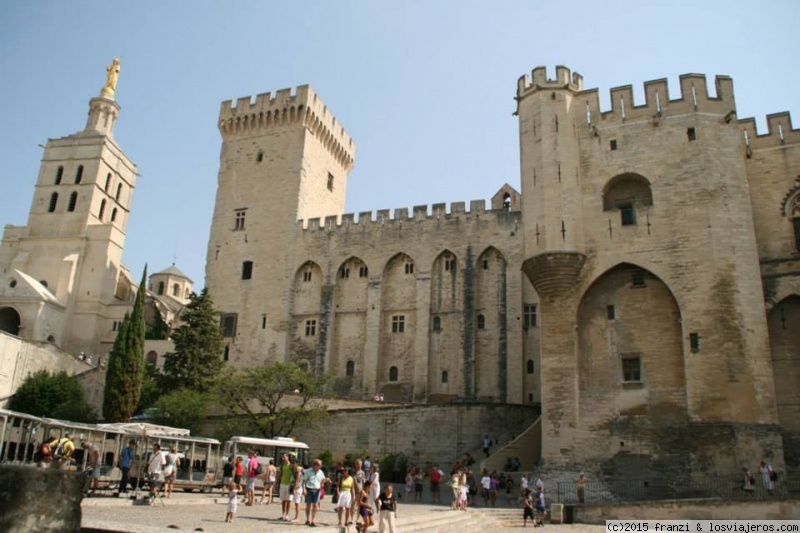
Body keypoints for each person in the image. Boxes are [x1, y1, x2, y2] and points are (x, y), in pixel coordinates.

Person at [303, 458, 328, 526]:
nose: (320, 467)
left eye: (320, 465)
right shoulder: (308, 471)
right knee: (308, 505)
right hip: (309, 489)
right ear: (315, 465)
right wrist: (304, 489)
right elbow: (304, 481)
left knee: (315, 505)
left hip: (317, 490)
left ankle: (313, 520)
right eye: (319, 465)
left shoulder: (321, 472)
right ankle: (307, 519)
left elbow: (322, 481)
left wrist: (326, 480)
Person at [278, 453, 295, 521]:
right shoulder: (282, 465)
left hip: (289, 484)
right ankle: (283, 514)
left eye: (284, 457)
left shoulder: (291, 465)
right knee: (283, 500)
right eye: (282, 457)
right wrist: (277, 483)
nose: (283, 459)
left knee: (289, 500)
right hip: (282, 484)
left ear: (288, 457)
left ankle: (287, 515)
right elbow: (280, 475)